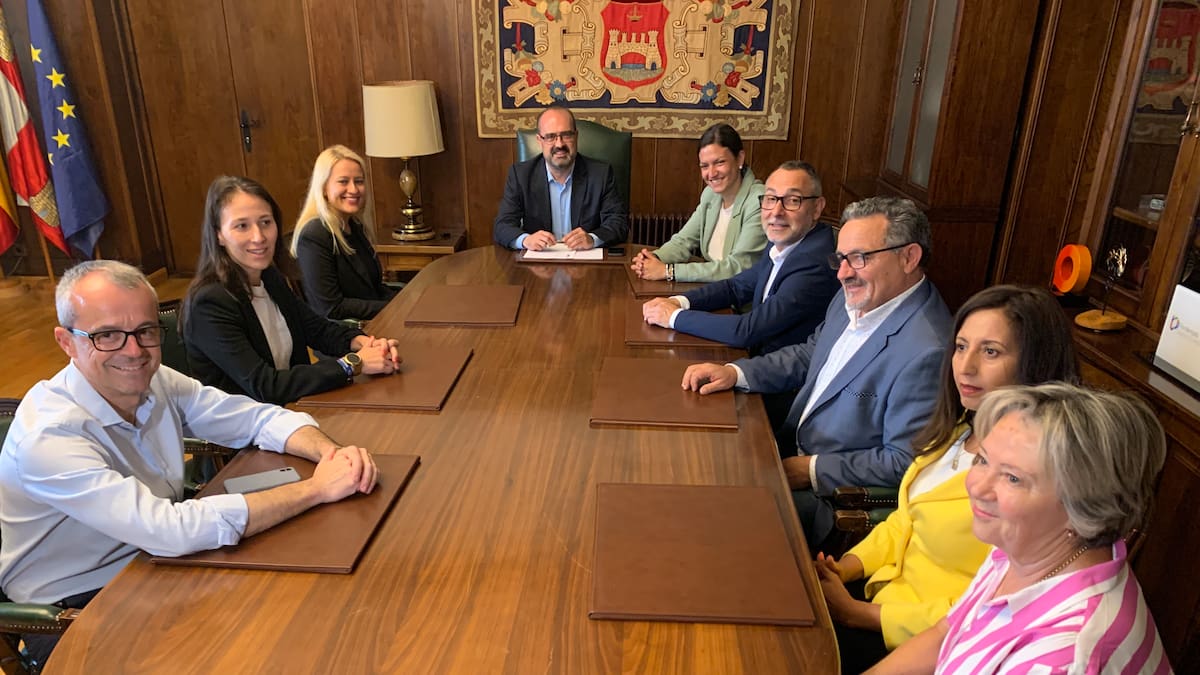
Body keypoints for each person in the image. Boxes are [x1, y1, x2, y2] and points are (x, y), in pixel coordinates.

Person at [0, 260, 379, 666]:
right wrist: (317, 488)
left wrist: (330, 454)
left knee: (310, 618)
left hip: (157, 561)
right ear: (66, 342)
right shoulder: (50, 435)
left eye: (145, 332)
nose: (134, 351)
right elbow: (170, 530)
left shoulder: (154, 378)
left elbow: (255, 417)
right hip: (78, 602)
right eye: (106, 335)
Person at [814, 285, 1080, 673]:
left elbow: (988, 608)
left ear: (1034, 363)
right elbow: (904, 519)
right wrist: (848, 566)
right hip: (877, 594)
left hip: (925, 643)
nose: (965, 366)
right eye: (960, 346)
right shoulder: (958, 427)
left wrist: (860, 614)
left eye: (990, 351)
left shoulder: (1034, 482)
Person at [681, 197, 952, 550]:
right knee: (693, 466)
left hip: (830, 500)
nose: (842, 273)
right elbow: (811, 353)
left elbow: (904, 461)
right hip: (786, 442)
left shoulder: (928, 350)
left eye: (859, 258)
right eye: (840, 258)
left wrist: (810, 469)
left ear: (909, 257)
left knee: (710, 520)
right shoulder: (855, 295)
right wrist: (736, 372)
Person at [867, 383, 1172, 674]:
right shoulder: (1020, 548)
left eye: (1013, 478)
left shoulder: (1062, 659)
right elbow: (945, 634)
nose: (975, 486)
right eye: (983, 460)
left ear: (1083, 505)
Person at [183, 175, 401, 406]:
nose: (259, 237)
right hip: (243, 432)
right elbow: (266, 386)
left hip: (293, 411)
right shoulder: (208, 304)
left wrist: (364, 343)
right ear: (219, 235)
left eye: (266, 222)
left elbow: (316, 330)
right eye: (242, 226)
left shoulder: (270, 277)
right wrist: (352, 363)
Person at [641, 160, 838, 356]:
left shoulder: (815, 264)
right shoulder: (785, 241)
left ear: (817, 208)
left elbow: (747, 331)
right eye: (770, 199)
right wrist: (679, 301)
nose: (776, 212)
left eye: (793, 200)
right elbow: (735, 287)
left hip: (779, 378)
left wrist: (673, 317)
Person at [629, 123, 766, 282]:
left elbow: (737, 267)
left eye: (719, 162)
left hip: (741, 303)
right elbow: (682, 242)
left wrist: (669, 271)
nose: (711, 173)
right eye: (704, 166)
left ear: (740, 158)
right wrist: (653, 258)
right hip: (714, 291)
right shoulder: (710, 196)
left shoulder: (760, 201)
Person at [492, 105, 628, 251]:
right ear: (540, 140)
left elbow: (618, 223)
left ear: (576, 136)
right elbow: (502, 226)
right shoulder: (521, 176)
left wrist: (592, 238)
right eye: (550, 137)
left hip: (585, 263)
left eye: (566, 135)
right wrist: (526, 240)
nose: (559, 144)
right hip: (539, 265)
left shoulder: (601, 174)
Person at [291, 144, 397, 320]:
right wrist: (394, 309)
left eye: (359, 181)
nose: (354, 189)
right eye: (343, 181)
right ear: (324, 187)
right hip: (347, 338)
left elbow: (374, 288)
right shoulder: (314, 235)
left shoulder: (353, 225)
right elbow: (331, 307)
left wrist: (405, 301)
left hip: (375, 324)